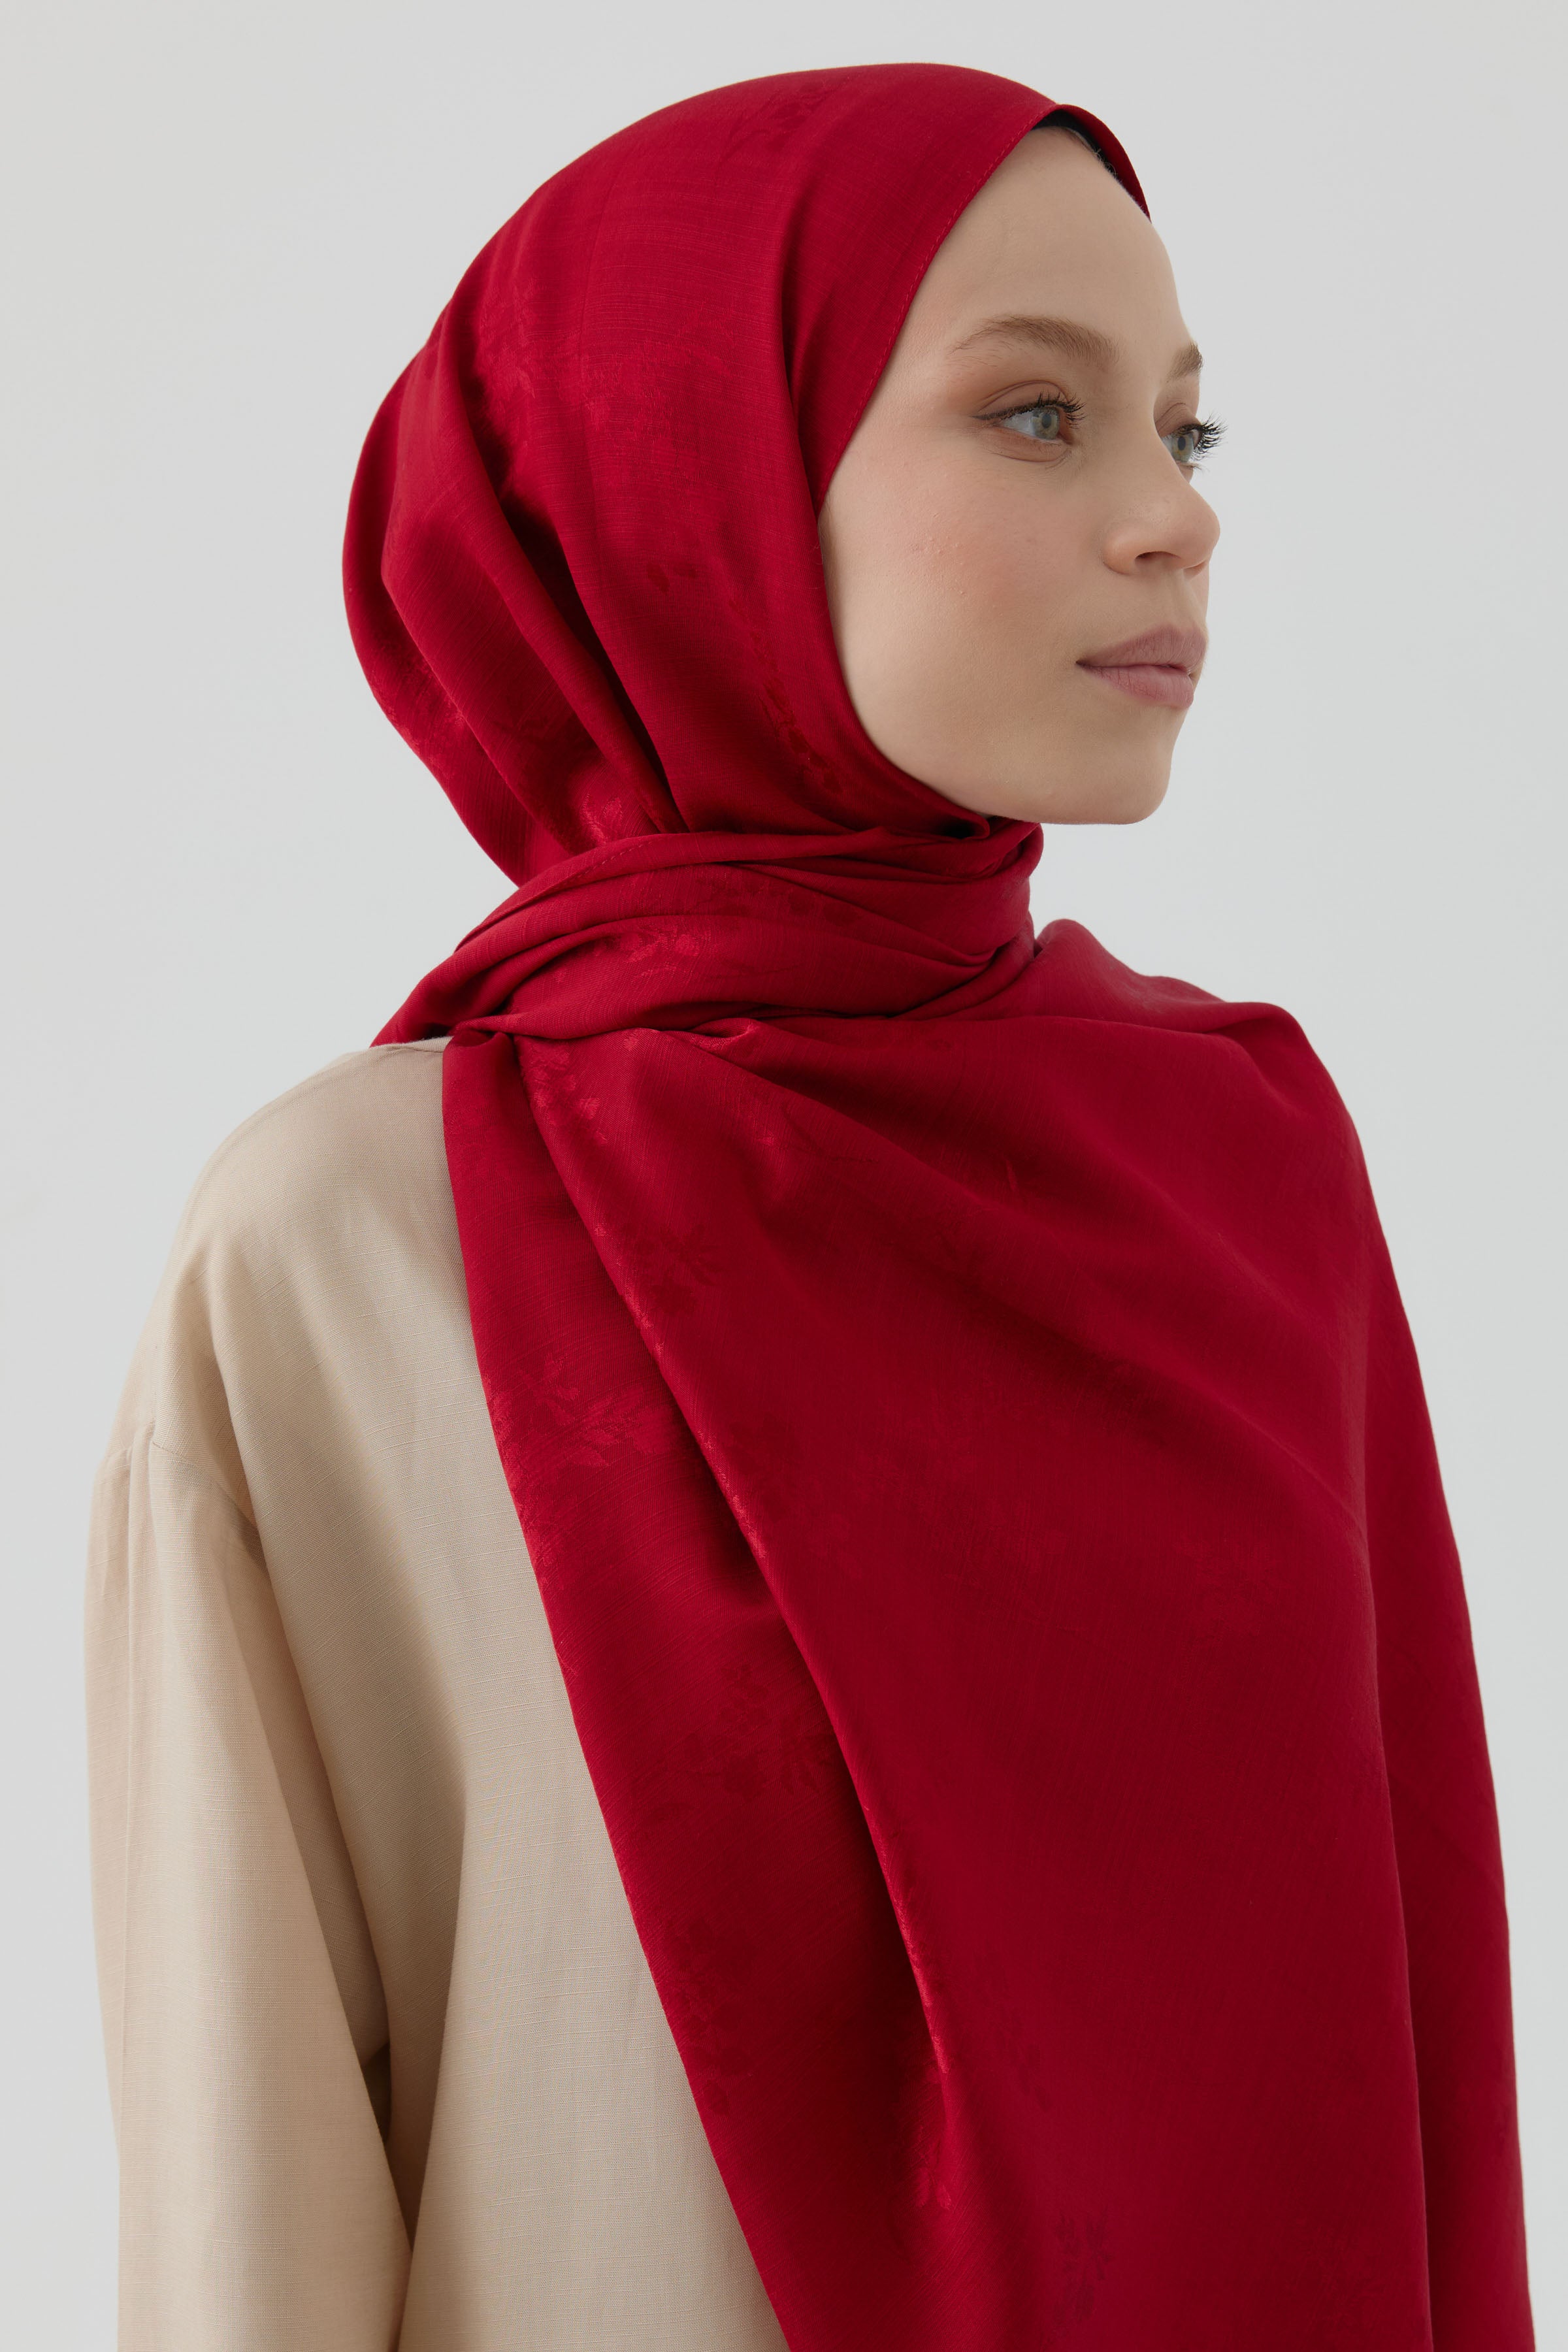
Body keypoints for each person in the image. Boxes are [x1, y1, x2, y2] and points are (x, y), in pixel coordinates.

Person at [84, 61, 1535, 2352]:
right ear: (697, 484)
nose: (1176, 517)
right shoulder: (355, 1241)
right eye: (1039, 416)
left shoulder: (1246, 1164)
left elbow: (1413, 2038)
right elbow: (249, 2187)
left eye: (1187, 429)